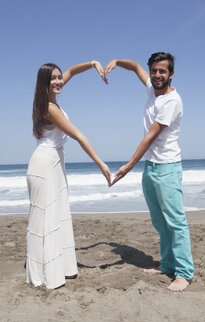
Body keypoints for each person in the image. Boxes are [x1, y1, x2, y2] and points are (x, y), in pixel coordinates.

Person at [105, 52, 194, 291]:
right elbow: (134, 66)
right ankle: (167, 265)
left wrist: (129, 165)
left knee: (175, 223)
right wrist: (116, 62)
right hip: (152, 168)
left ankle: (184, 273)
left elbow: (151, 136)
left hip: (167, 168)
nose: (156, 75)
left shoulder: (172, 101)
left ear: (171, 74)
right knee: (159, 221)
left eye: (162, 71)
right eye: (154, 70)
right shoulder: (151, 89)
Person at [26, 61, 111, 289]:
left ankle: (61, 268)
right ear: (44, 82)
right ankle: (44, 274)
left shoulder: (49, 98)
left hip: (54, 162)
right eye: (53, 78)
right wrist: (100, 163)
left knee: (57, 215)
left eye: (59, 77)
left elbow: (71, 71)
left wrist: (93, 63)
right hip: (44, 165)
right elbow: (78, 135)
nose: (58, 81)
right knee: (45, 219)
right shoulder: (50, 108)